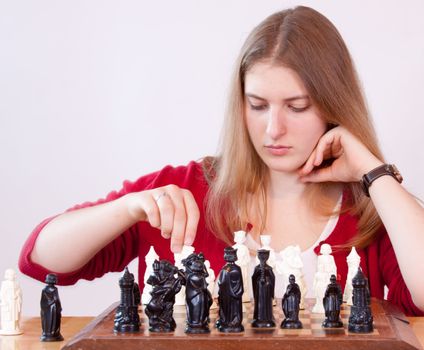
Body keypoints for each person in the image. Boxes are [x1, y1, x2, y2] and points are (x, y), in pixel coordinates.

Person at [18, 6, 424, 316]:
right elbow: (39, 258)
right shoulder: (184, 189)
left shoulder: (371, 211)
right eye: (258, 105)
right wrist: (127, 209)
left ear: (334, 107)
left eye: (297, 107)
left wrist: (373, 173)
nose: (272, 130)